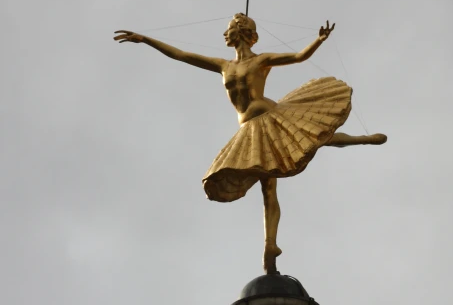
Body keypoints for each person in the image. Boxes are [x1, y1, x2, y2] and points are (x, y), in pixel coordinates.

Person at [114, 14, 387, 273]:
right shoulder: (223, 65)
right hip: (249, 128)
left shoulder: (261, 61)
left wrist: (318, 39)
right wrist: (146, 40)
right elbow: (182, 56)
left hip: (269, 115)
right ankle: (270, 244)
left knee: (315, 136)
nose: (226, 32)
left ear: (243, 31)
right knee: (268, 187)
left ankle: (364, 139)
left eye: (231, 27)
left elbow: (298, 56)